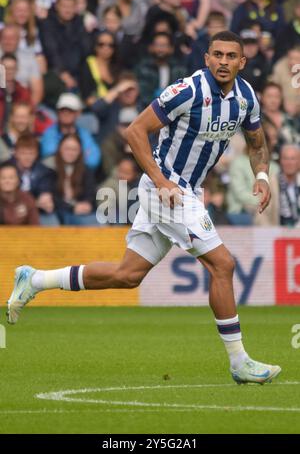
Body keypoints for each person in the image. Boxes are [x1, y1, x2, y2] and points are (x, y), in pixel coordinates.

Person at [6, 31, 281, 385]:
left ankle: (36, 279)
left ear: (242, 62)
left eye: (231, 56)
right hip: (166, 188)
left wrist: (261, 174)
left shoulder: (246, 98)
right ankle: (239, 361)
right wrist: (161, 181)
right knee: (223, 265)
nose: (224, 62)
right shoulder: (188, 91)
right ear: (207, 58)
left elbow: (257, 140)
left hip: (186, 191)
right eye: (217, 55)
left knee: (127, 275)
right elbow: (135, 131)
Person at [40, 93, 101, 170]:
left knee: (120, 179)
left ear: (78, 113)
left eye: (70, 110)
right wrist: (81, 155)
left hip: (80, 177)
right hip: (55, 177)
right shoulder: (50, 133)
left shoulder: (84, 134)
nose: (66, 113)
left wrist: (65, 155)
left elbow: (93, 161)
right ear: (57, 112)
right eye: (62, 110)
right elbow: (49, 156)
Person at [278, 144, 300, 226]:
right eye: (285, 158)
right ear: (281, 161)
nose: (289, 163)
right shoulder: (271, 183)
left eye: (293, 159)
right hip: (277, 233)